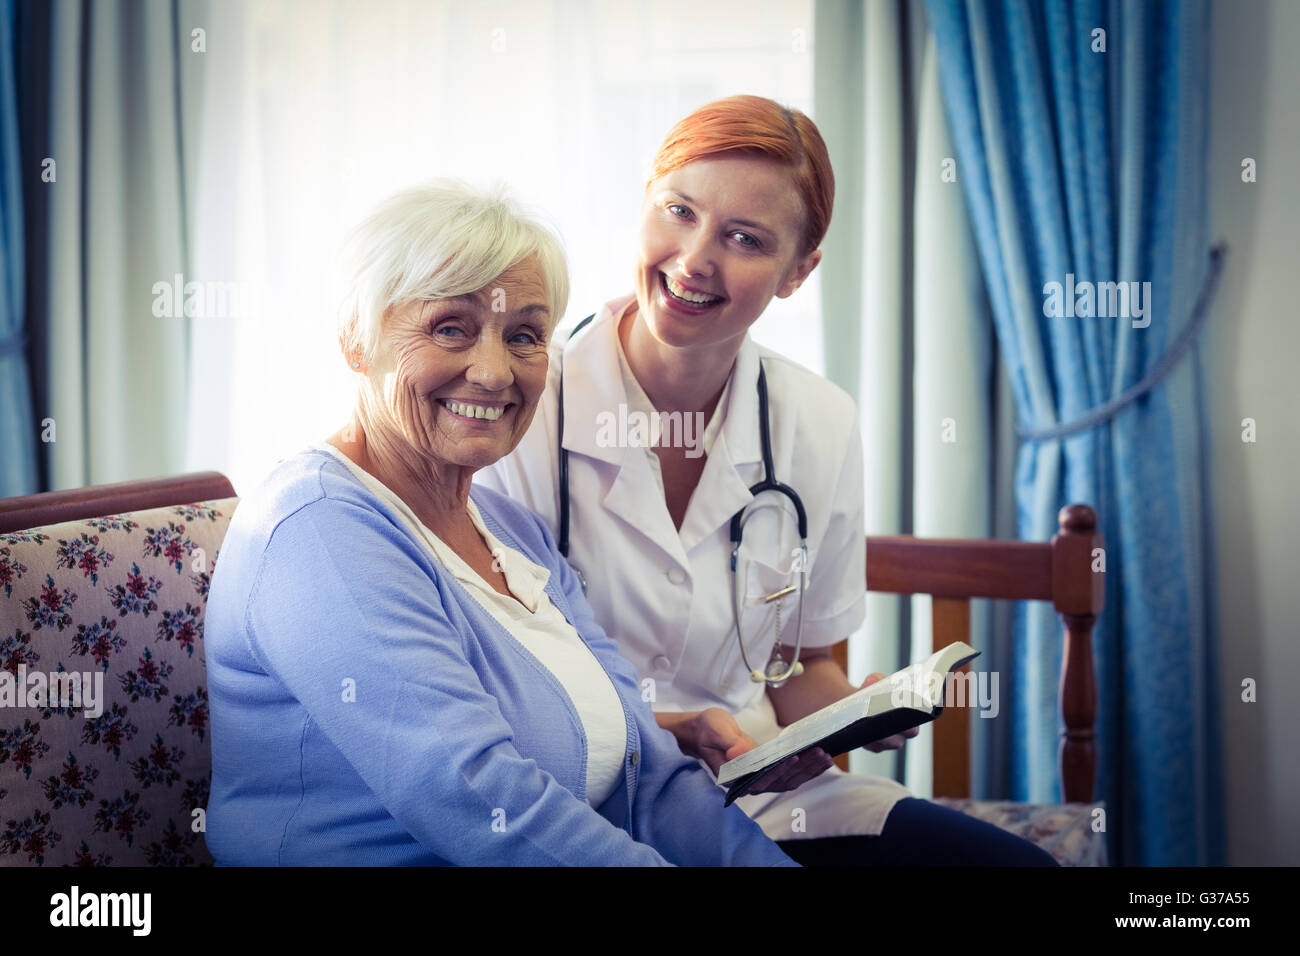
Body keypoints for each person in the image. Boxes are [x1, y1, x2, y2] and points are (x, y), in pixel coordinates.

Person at [479, 95, 1057, 866]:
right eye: (678, 211)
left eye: (744, 239)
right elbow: (493, 669)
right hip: (579, 791)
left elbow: (800, 668)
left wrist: (853, 714)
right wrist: (667, 728)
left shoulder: (816, 422)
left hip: (761, 797)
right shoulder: (521, 400)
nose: (693, 260)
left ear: (797, 272)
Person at [202, 180, 798, 866]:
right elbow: (480, 799)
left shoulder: (511, 529)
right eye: (450, 328)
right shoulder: (317, 532)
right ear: (356, 342)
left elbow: (653, 774)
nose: (492, 372)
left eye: (524, 336)